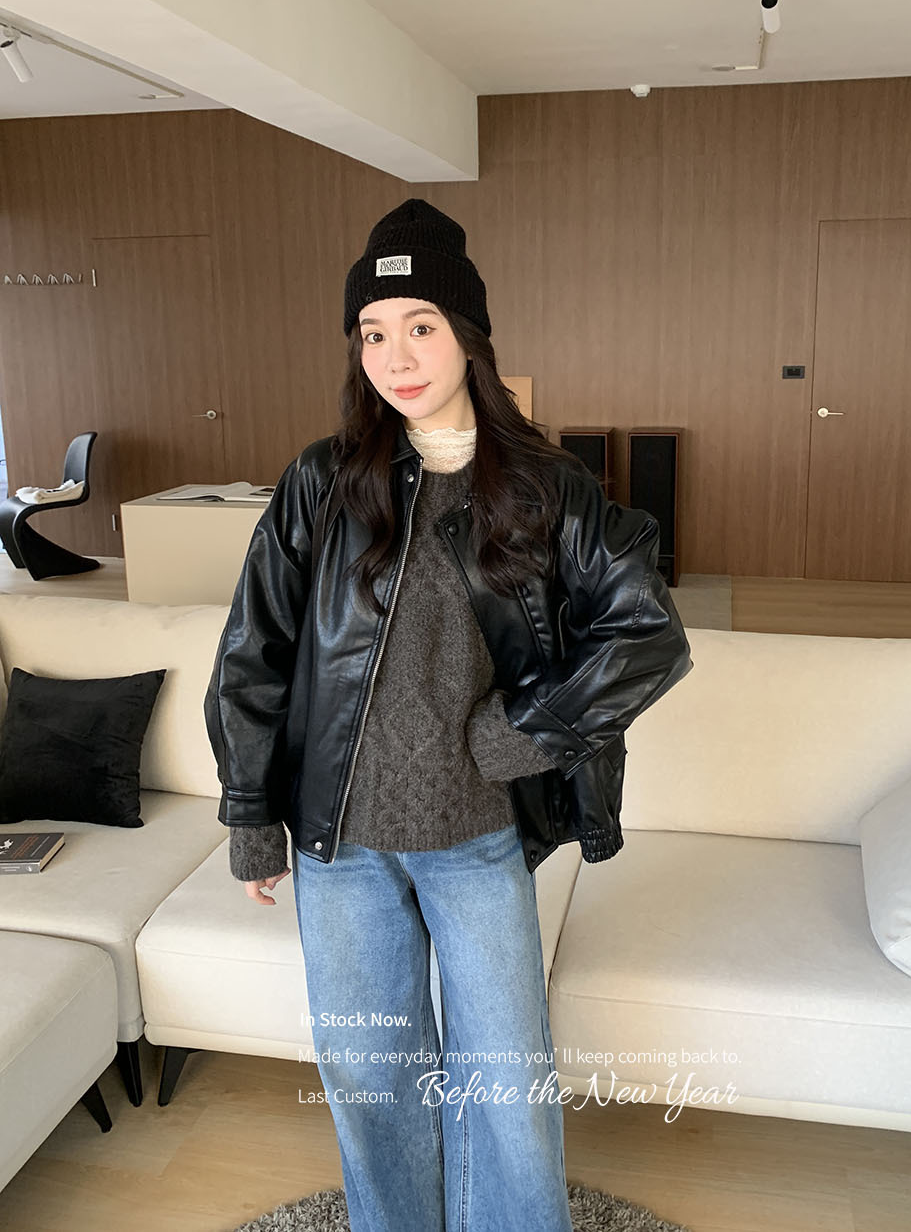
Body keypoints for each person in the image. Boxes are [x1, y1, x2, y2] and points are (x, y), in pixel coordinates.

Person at [204, 198, 693, 1232]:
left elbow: (647, 632)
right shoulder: (321, 482)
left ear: (468, 334)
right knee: (371, 1073)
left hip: (476, 835)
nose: (397, 356)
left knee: (505, 1082)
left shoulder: (547, 487)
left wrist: (521, 735)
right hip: (341, 844)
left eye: (420, 325)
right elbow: (254, 651)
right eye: (372, 332)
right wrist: (251, 815)